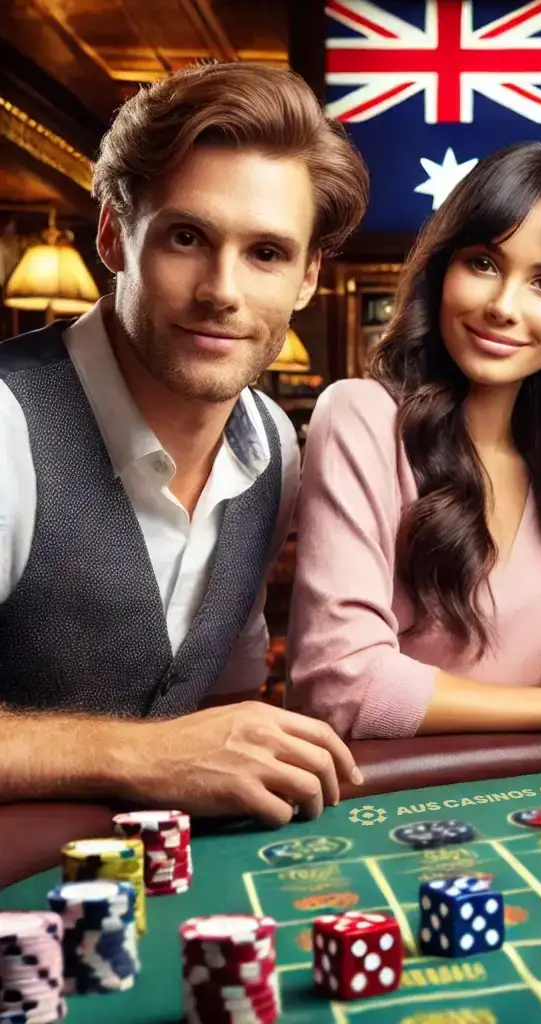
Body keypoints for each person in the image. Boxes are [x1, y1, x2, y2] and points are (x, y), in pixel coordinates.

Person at [0, 62, 368, 825]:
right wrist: (138, 755)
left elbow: (226, 698)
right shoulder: (8, 427)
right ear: (114, 235)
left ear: (306, 279)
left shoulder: (276, 446)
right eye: (187, 237)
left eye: (266, 253)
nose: (222, 290)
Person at [288, 142, 541, 748]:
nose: (504, 308)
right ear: (444, 269)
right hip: (395, 807)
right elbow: (339, 686)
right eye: (484, 263)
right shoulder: (363, 417)